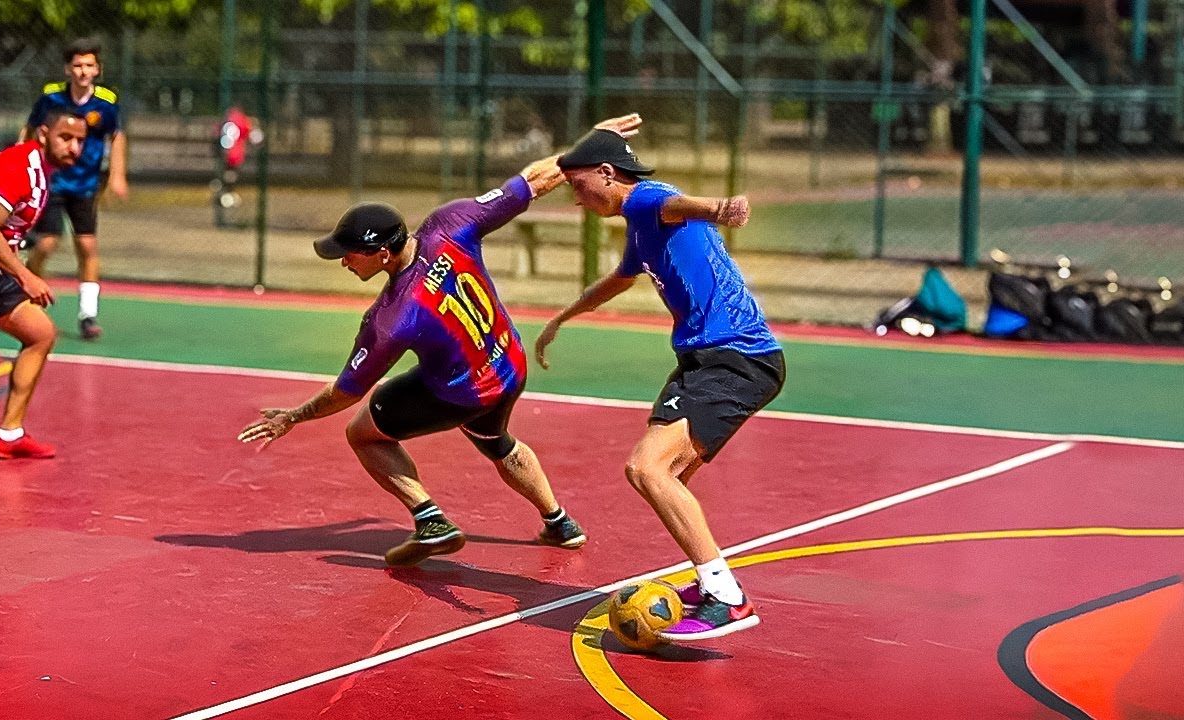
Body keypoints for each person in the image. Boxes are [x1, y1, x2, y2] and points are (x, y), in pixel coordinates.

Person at [237, 114, 644, 567]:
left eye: (349, 253)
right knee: (496, 439)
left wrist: (292, 417)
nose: (344, 262)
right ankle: (559, 521)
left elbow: (345, 392)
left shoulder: (391, 318)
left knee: (363, 434)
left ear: (383, 253)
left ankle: (430, 519)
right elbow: (533, 180)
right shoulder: (450, 223)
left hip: (462, 392)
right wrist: (588, 151)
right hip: (509, 365)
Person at [535, 124, 785, 642]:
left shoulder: (648, 199)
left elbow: (678, 203)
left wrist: (718, 209)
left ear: (607, 174)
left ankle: (727, 597)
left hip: (737, 358)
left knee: (647, 468)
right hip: (700, 361)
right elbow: (620, 278)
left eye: (579, 188)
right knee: (658, 475)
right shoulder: (639, 227)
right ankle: (709, 580)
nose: (578, 202)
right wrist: (564, 315)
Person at [0, 109, 88, 459]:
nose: (74, 147)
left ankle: (9, 435)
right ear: (43, 134)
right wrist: (25, 275)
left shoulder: (44, 172)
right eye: (66, 138)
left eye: (80, 141)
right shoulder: (18, 168)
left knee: (39, 334)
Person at [21, 37, 129, 340]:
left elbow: (117, 137)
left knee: (87, 246)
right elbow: (28, 132)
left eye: (89, 65)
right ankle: (30, 296)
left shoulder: (106, 104)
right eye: (78, 65)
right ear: (68, 69)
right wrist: (21, 166)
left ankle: (88, 314)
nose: (83, 71)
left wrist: (117, 175)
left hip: (85, 185)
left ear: (98, 70)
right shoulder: (51, 99)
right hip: (53, 181)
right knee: (46, 245)